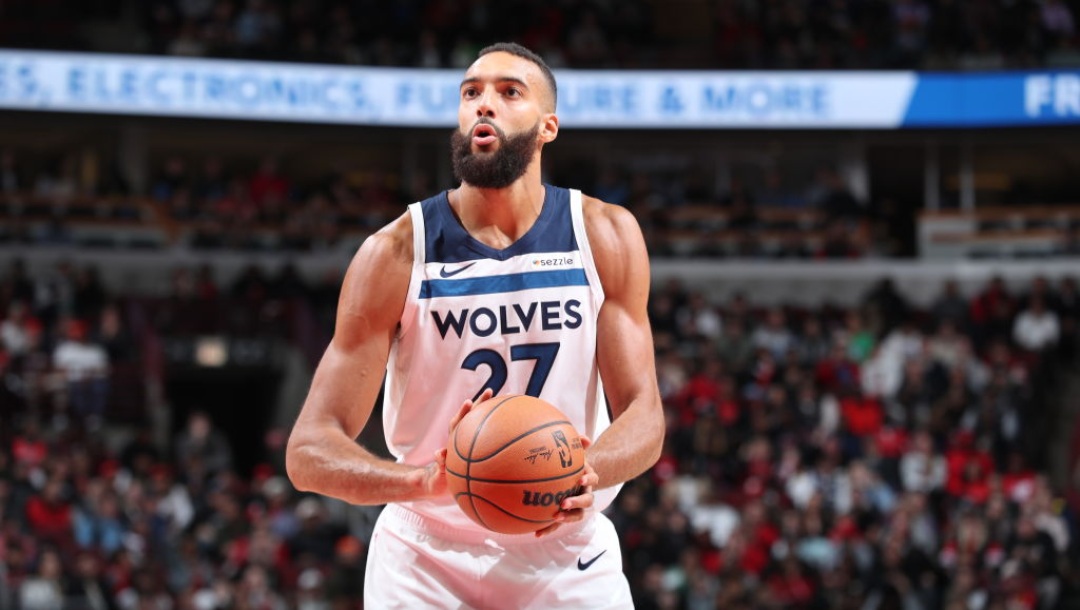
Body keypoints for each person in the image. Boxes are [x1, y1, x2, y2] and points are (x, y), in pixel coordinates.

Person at [285, 42, 664, 608]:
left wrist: (587, 469)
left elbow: (645, 416)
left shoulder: (604, 235)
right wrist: (420, 481)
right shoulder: (393, 253)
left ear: (547, 127)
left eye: (509, 92)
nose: (484, 104)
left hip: (564, 545)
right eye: (471, 93)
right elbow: (308, 452)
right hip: (426, 554)